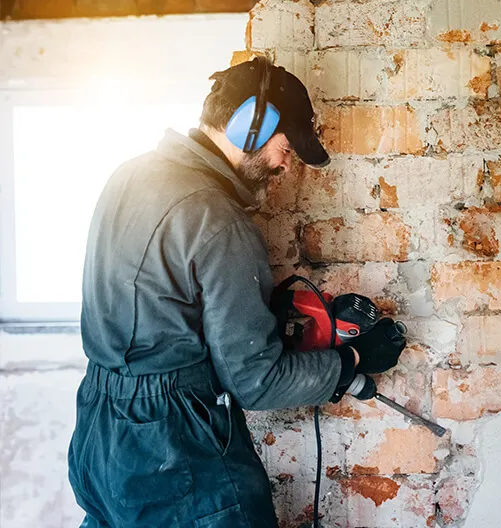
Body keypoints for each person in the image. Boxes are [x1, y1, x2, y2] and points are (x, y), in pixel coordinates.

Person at [67, 56, 406, 527]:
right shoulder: (218, 219)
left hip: (98, 430)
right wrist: (350, 361)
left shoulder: (128, 175)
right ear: (252, 125)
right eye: (285, 147)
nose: (284, 166)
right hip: (171, 446)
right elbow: (256, 382)